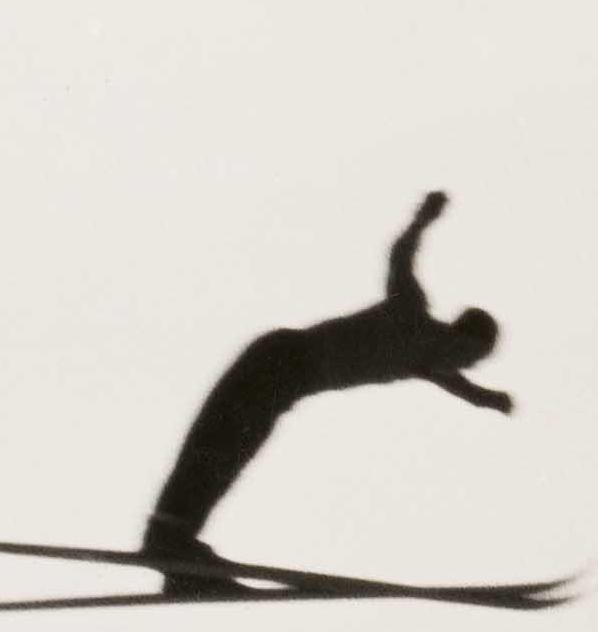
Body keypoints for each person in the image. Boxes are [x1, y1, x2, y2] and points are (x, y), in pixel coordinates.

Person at [139, 190, 512, 589]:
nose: (467, 366)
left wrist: (489, 399)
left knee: (232, 451)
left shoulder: (427, 364)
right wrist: (424, 218)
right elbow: (400, 255)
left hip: (287, 379)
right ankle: (170, 540)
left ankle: (177, 548)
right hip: (279, 359)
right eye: (473, 357)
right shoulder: (411, 313)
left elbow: (464, 389)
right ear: (462, 336)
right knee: (221, 444)